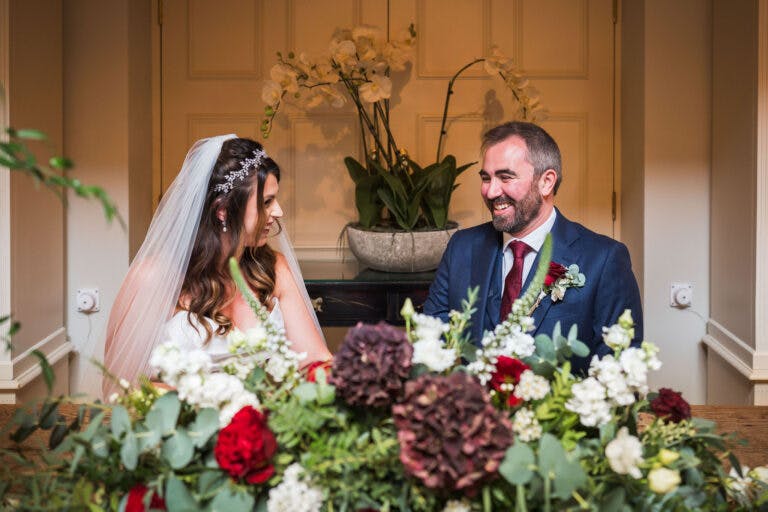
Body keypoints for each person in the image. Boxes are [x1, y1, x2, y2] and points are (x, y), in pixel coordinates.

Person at [104, 135, 331, 394]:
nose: (278, 212)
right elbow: (119, 386)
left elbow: (316, 362)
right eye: (266, 202)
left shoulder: (273, 269)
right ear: (222, 209)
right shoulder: (152, 277)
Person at [423, 121, 642, 374]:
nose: (491, 191)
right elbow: (430, 341)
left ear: (546, 182)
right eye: (486, 178)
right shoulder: (462, 248)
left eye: (506, 177)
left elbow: (620, 369)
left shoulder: (603, 259)